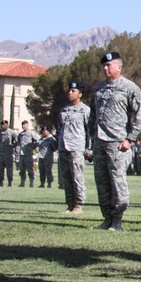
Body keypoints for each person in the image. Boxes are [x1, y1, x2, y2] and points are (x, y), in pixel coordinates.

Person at [89, 51, 141, 232]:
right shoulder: (99, 89)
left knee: (117, 183)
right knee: (102, 183)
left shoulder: (129, 88)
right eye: (104, 66)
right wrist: (91, 139)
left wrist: (130, 138)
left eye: (109, 65)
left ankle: (117, 221)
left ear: (119, 66)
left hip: (118, 144)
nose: (106, 68)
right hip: (99, 142)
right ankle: (106, 219)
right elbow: (92, 116)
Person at [58, 81, 92, 214]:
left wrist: (89, 149)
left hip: (77, 148)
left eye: (73, 91)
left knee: (77, 177)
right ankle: (70, 204)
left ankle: (78, 205)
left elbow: (90, 131)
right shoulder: (64, 110)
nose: (70, 93)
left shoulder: (85, 110)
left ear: (80, 94)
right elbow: (60, 129)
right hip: (63, 147)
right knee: (66, 178)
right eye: (69, 91)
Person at [16, 120, 39, 187]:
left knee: (30, 169)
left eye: (24, 124)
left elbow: (37, 141)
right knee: (22, 169)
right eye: (22, 125)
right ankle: (22, 183)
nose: (23, 126)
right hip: (22, 154)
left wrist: (33, 147)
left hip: (28, 154)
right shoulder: (20, 134)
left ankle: (31, 183)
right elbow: (18, 143)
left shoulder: (31, 133)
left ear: (27, 125)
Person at [0, 120, 17, 186]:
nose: (3, 126)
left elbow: (15, 142)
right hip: (1, 153)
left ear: (7, 125)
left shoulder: (12, 132)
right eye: (2, 124)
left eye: (4, 124)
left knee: (9, 168)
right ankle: (0, 182)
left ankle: (10, 182)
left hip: (8, 153)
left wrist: (13, 149)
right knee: (0, 168)